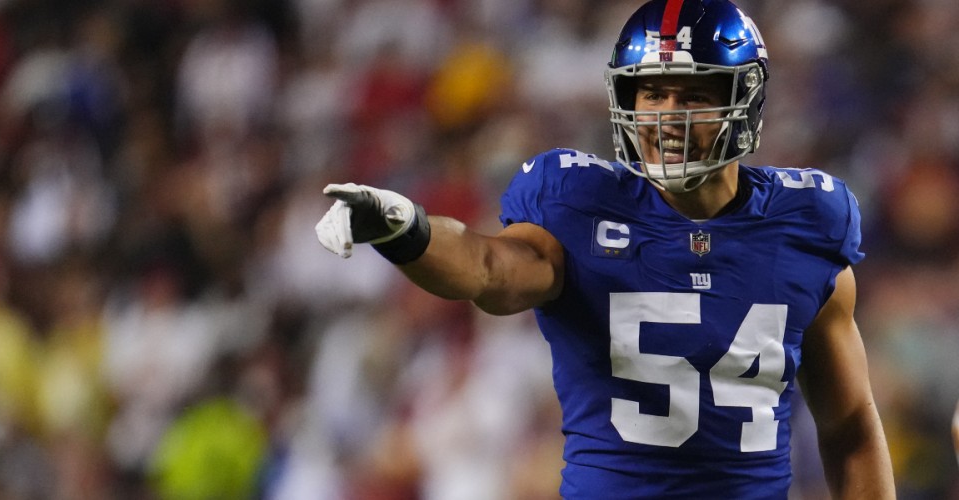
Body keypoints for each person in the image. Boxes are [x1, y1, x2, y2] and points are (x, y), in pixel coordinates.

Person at [315, 0, 895, 497]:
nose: (668, 117)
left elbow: (849, 426)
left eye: (694, 94)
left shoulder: (806, 223)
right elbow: (487, 268)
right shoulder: (581, 203)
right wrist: (405, 230)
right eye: (653, 93)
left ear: (745, 101)